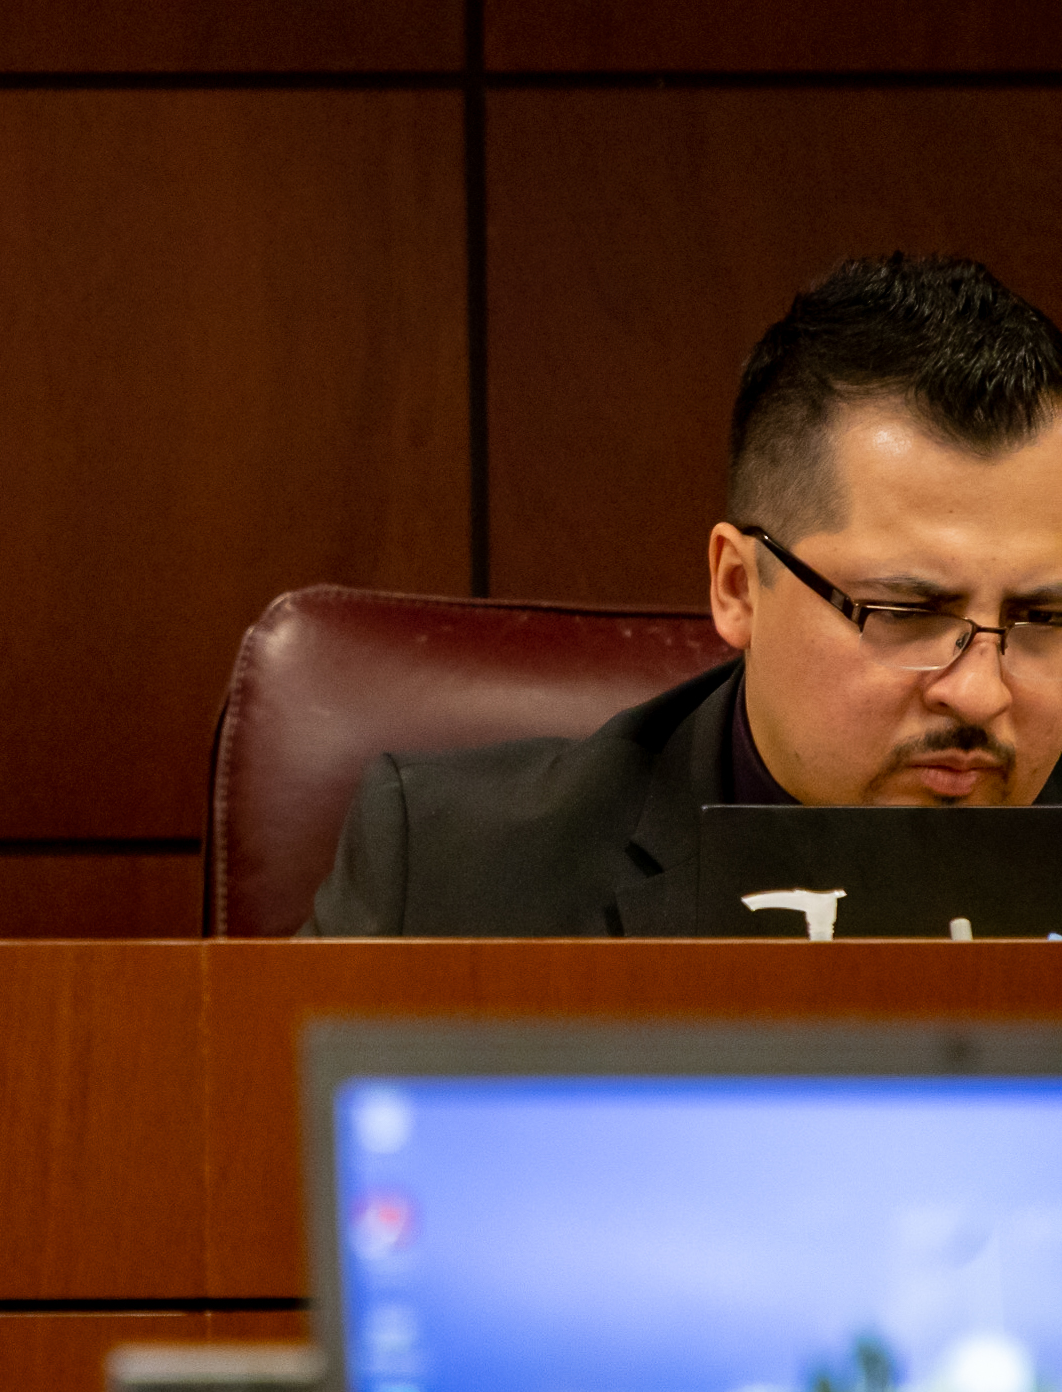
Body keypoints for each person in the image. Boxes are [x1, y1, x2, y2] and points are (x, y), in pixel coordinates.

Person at [308, 253, 1062, 937]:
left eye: (1044, 618)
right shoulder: (453, 878)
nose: (980, 693)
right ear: (739, 587)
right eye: (907, 613)